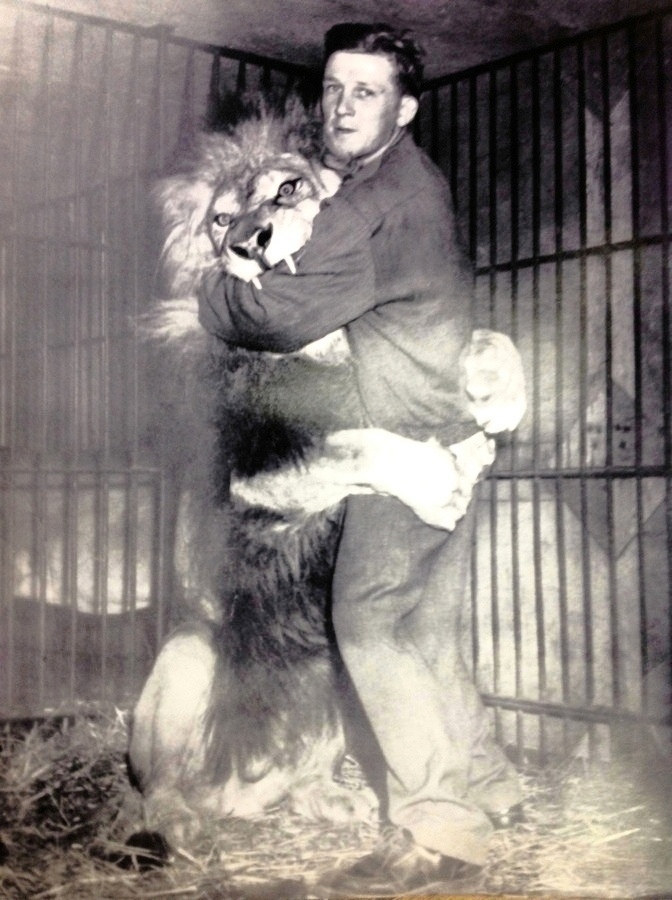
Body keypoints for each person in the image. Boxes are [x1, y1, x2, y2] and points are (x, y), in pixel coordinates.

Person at [198, 22, 523, 894]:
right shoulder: (399, 179)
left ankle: (438, 834)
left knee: (369, 622)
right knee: (425, 632)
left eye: (367, 92)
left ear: (405, 108)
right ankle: (492, 786)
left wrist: (216, 281)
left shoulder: (372, 208)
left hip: (407, 451)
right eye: (334, 88)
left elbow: (272, 318)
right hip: (452, 436)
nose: (343, 105)